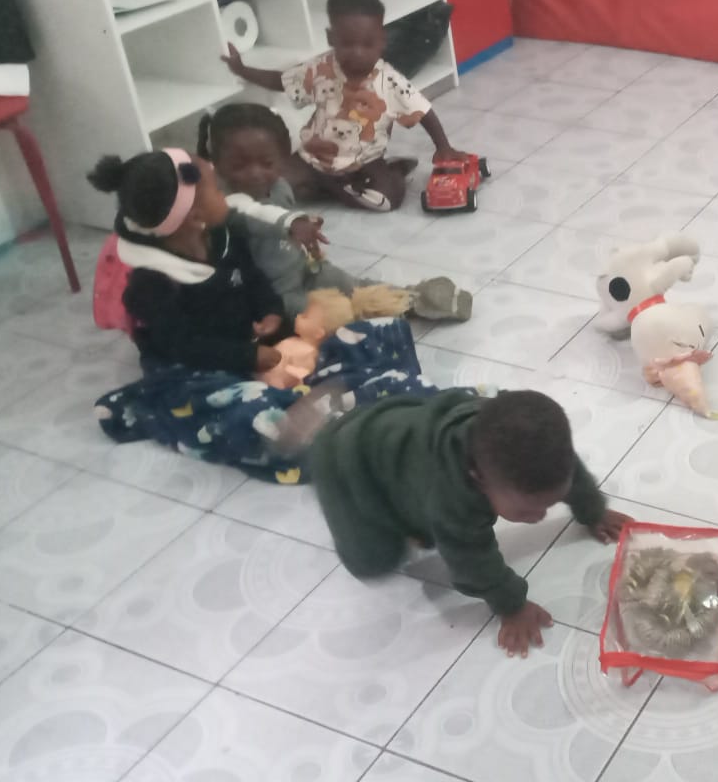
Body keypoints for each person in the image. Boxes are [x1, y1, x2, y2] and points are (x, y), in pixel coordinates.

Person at [309, 388, 633, 657]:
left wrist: (593, 511)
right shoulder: (453, 496)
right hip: (344, 462)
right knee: (374, 560)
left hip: (392, 429)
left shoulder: (527, 445)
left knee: (422, 518)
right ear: (479, 479)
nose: (540, 517)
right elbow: (471, 563)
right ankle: (313, 435)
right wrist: (512, 607)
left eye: (548, 505)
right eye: (526, 511)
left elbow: (571, 473)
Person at [197, 102, 471, 320]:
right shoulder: (224, 201)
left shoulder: (278, 185)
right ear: (216, 162)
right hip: (272, 294)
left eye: (267, 163)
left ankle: (410, 299)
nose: (255, 174)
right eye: (240, 165)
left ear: (283, 157)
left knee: (349, 283)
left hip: (305, 270)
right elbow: (258, 214)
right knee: (330, 314)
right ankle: (375, 313)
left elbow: (285, 225)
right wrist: (293, 222)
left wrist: (306, 243)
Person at [220, 0, 465, 212]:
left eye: (367, 44)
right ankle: (336, 188)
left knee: (389, 200)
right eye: (347, 43)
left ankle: (390, 172)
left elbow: (423, 111)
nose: (357, 53)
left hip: (364, 162)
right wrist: (242, 70)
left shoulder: (389, 81)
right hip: (313, 158)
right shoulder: (320, 69)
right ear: (331, 38)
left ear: (382, 40)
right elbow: (281, 81)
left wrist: (443, 147)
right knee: (276, 184)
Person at [89, 148, 288, 376]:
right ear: (196, 217)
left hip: (240, 333)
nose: (225, 196)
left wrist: (271, 311)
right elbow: (181, 345)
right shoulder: (151, 283)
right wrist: (246, 357)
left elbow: (252, 277)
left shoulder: (223, 235)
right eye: (218, 190)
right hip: (193, 358)